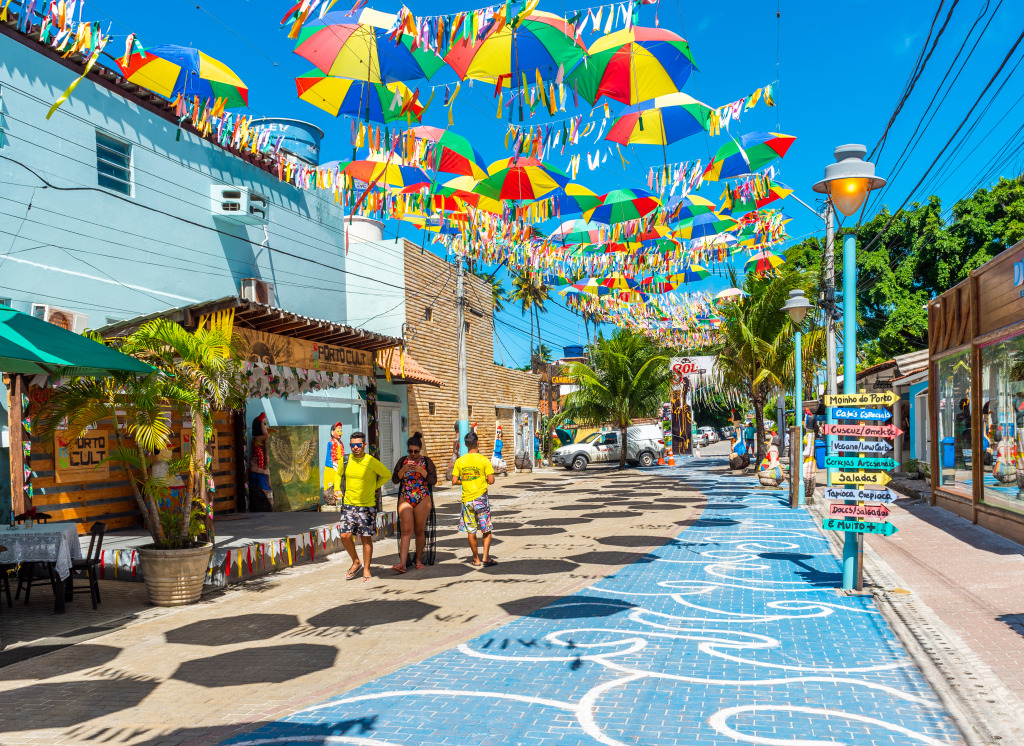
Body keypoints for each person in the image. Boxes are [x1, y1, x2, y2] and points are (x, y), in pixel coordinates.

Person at [339, 431, 391, 582]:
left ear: (364, 445)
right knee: (345, 535)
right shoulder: (346, 460)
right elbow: (338, 475)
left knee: (365, 538)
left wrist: (374, 486)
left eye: (358, 445)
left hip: (367, 506)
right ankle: (356, 561)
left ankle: (366, 569)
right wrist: (337, 489)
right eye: (352, 445)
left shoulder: (371, 461)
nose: (355, 447)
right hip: (348, 504)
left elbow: (387, 475)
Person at [391, 432, 437, 573]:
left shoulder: (426, 461)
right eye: (410, 451)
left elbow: (433, 480)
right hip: (406, 496)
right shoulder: (403, 461)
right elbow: (395, 480)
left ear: (420, 450)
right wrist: (404, 470)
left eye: (416, 451)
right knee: (405, 530)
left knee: (419, 530)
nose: (413, 454)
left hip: (422, 496)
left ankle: (418, 559)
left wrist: (422, 471)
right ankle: (403, 563)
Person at [452, 430, 497, 567]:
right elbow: (491, 480)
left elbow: (454, 481)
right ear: (477, 443)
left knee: (471, 530)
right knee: (486, 528)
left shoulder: (460, 461)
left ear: (466, 445)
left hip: (467, 500)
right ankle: (486, 557)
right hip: (481, 499)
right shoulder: (483, 460)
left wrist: (464, 480)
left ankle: (476, 559)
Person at [249, 414, 273, 512]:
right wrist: (263, 472)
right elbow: (253, 466)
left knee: (269, 495)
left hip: (262, 476)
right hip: (258, 477)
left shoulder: (261, 446)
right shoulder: (255, 446)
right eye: (264, 424)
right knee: (265, 495)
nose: (267, 427)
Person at [322, 422, 345, 506]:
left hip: (340, 465)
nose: (340, 433)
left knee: (339, 483)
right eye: (338, 430)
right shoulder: (331, 443)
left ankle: (339, 499)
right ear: (332, 432)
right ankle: (332, 500)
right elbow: (329, 457)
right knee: (332, 483)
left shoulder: (341, 443)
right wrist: (333, 465)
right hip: (332, 467)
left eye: (341, 431)